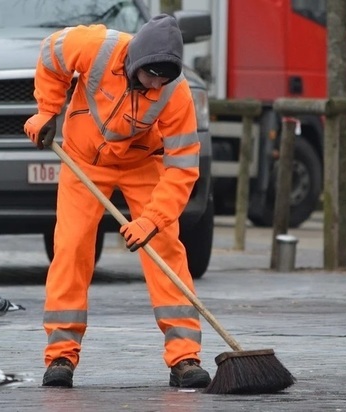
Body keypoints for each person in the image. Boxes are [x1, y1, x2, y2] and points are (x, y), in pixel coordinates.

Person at [24, 14, 211, 389]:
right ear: (135, 61)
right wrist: (48, 109)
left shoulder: (177, 94)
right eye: (151, 76)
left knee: (165, 247)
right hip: (83, 160)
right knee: (72, 246)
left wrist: (153, 219)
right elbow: (50, 55)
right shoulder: (94, 46)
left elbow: (183, 168)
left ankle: (185, 357)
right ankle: (60, 355)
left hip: (144, 163)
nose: (157, 84)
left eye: (165, 78)